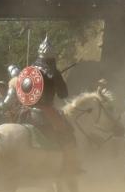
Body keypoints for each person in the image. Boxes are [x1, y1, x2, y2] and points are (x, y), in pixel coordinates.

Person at [21, 36, 81, 175]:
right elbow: (63, 94)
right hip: (45, 111)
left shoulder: (31, 68)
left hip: (27, 109)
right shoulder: (53, 72)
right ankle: (69, 165)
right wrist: (57, 80)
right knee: (68, 132)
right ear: (52, 56)